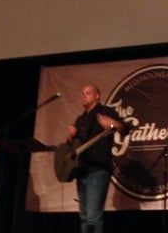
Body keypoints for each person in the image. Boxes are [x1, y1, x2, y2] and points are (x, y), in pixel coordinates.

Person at [65, 84, 127, 233]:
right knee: (84, 217)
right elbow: (74, 146)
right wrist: (70, 138)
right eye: (82, 93)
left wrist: (112, 123)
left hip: (98, 169)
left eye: (88, 93)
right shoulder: (80, 119)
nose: (83, 95)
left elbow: (124, 129)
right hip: (81, 170)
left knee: (93, 217)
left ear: (97, 96)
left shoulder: (106, 112)